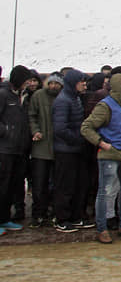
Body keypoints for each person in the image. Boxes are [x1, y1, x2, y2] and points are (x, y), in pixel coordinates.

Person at [80, 73, 121, 243]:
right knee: (106, 192)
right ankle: (102, 228)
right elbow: (86, 127)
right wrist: (101, 143)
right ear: (120, 86)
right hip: (110, 154)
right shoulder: (105, 106)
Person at [52, 68, 94, 233]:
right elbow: (60, 129)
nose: (84, 85)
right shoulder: (63, 101)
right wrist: (79, 139)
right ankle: (61, 218)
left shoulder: (75, 98)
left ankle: (76, 216)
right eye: (81, 82)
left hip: (76, 149)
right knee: (65, 186)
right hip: (66, 150)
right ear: (72, 83)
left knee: (79, 184)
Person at [0, 65, 33, 235]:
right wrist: (6, 131)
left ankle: (5, 218)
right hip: (4, 149)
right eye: (26, 80)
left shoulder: (21, 96)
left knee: (12, 186)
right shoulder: (3, 95)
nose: (28, 83)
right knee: (2, 186)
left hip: (18, 149)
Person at [27, 72, 62, 227]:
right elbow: (31, 116)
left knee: (57, 184)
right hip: (40, 147)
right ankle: (38, 214)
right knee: (39, 183)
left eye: (57, 84)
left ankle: (54, 211)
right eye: (51, 83)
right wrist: (35, 131)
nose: (53, 86)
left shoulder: (62, 98)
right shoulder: (38, 96)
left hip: (58, 147)